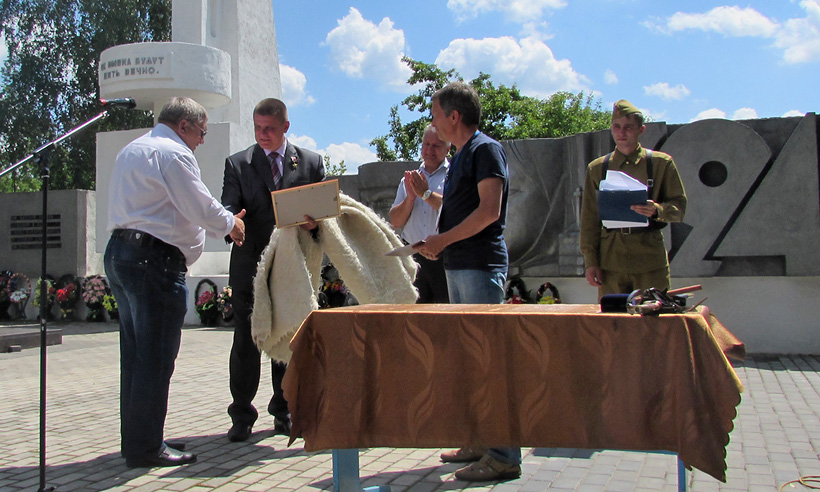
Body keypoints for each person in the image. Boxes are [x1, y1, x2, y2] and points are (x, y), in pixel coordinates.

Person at [104, 96, 246, 468]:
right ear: (183, 125)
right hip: (153, 262)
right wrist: (231, 223)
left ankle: (139, 439)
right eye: (201, 132)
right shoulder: (174, 153)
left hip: (122, 253)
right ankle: (146, 448)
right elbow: (198, 205)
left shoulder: (132, 150)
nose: (202, 140)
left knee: (136, 357)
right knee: (155, 357)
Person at [416, 82, 521, 482]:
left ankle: (504, 455)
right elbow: (460, 206)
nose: (433, 122)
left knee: (487, 361)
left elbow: (489, 211)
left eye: (435, 115)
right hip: (459, 267)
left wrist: (442, 240)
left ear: (454, 117)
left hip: (479, 267)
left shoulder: (485, 150)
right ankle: (479, 441)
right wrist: (430, 209)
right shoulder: (463, 154)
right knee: (470, 362)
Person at [221, 97, 325, 442]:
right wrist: (231, 222)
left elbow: (326, 215)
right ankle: (241, 415)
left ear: (286, 127)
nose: (262, 134)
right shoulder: (238, 164)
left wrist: (316, 224)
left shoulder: (310, 162)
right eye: (257, 128)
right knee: (246, 341)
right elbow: (228, 209)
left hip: (291, 266)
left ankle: (285, 410)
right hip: (250, 266)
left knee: (287, 339)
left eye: (269, 128)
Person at [580, 99, 687, 298]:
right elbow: (589, 219)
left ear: (641, 130)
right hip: (611, 263)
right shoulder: (597, 168)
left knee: (653, 315)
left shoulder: (661, 163)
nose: (622, 133)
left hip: (649, 262)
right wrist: (591, 262)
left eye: (628, 127)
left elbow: (679, 208)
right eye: (616, 127)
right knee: (613, 317)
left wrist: (657, 210)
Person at [388, 124, 450, 303]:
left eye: (436, 145)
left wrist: (425, 194)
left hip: (444, 256)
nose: (430, 150)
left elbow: (454, 210)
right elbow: (395, 221)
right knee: (415, 314)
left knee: (446, 313)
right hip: (414, 258)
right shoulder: (409, 179)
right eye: (426, 145)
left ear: (447, 149)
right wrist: (410, 198)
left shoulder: (454, 175)